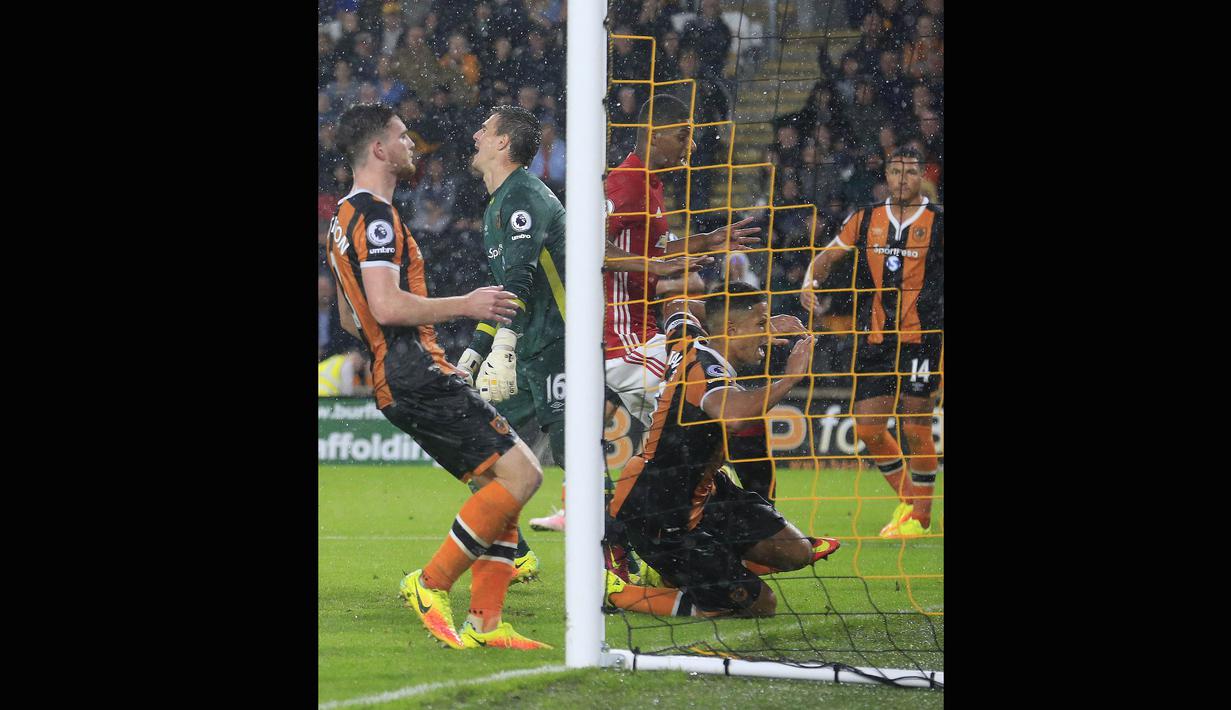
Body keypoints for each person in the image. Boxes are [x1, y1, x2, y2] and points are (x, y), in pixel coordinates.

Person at [326, 103, 550, 650]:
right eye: (403, 137)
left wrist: (385, 352)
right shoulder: (377, 216)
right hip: (416, 372)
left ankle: (486, 625)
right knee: (524, 477)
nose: (412, 146)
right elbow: (382, 305)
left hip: (398, 374)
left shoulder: (342, 218)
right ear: (379, 149)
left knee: (499, 488)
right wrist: (467, 304)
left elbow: (348, 318)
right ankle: (429, 583)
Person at [606, 284, 840, 618]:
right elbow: (733, 416)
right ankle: (618, 592)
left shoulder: (690, 338)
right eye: (760, 325)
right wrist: (790, 379)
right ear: (730, 330)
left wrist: (764, 321)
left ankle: (699, 567)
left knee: (798, 552)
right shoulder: (704, 368)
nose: (767, 334)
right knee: (758, 606)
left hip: (707, 493)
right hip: (660, 510)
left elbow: (677, 303)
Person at [799, 146, 942, 538]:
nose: (902, 179)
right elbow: (828, 257)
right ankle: (910, 503)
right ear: (887, 177)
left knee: (915, 426)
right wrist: (810, 280)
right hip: (876, 337)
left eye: (910, 172)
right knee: (867, 428)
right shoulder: (865, 218)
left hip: (922, 338)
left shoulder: (937, 221)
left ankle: (920, 520)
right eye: (895, 172)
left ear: (921, 177)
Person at [450, 106, 571, 539]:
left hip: (561, 343)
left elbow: (520, 277)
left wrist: (500, 347)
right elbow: (505, 291)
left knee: (573, 453)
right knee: (482, 446)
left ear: (503, 142)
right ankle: (511, 549)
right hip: (528, 345)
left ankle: (617, 565)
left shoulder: (524, 196)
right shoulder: (497, 204)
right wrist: (472, 354)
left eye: (484, 129)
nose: (476, 135)